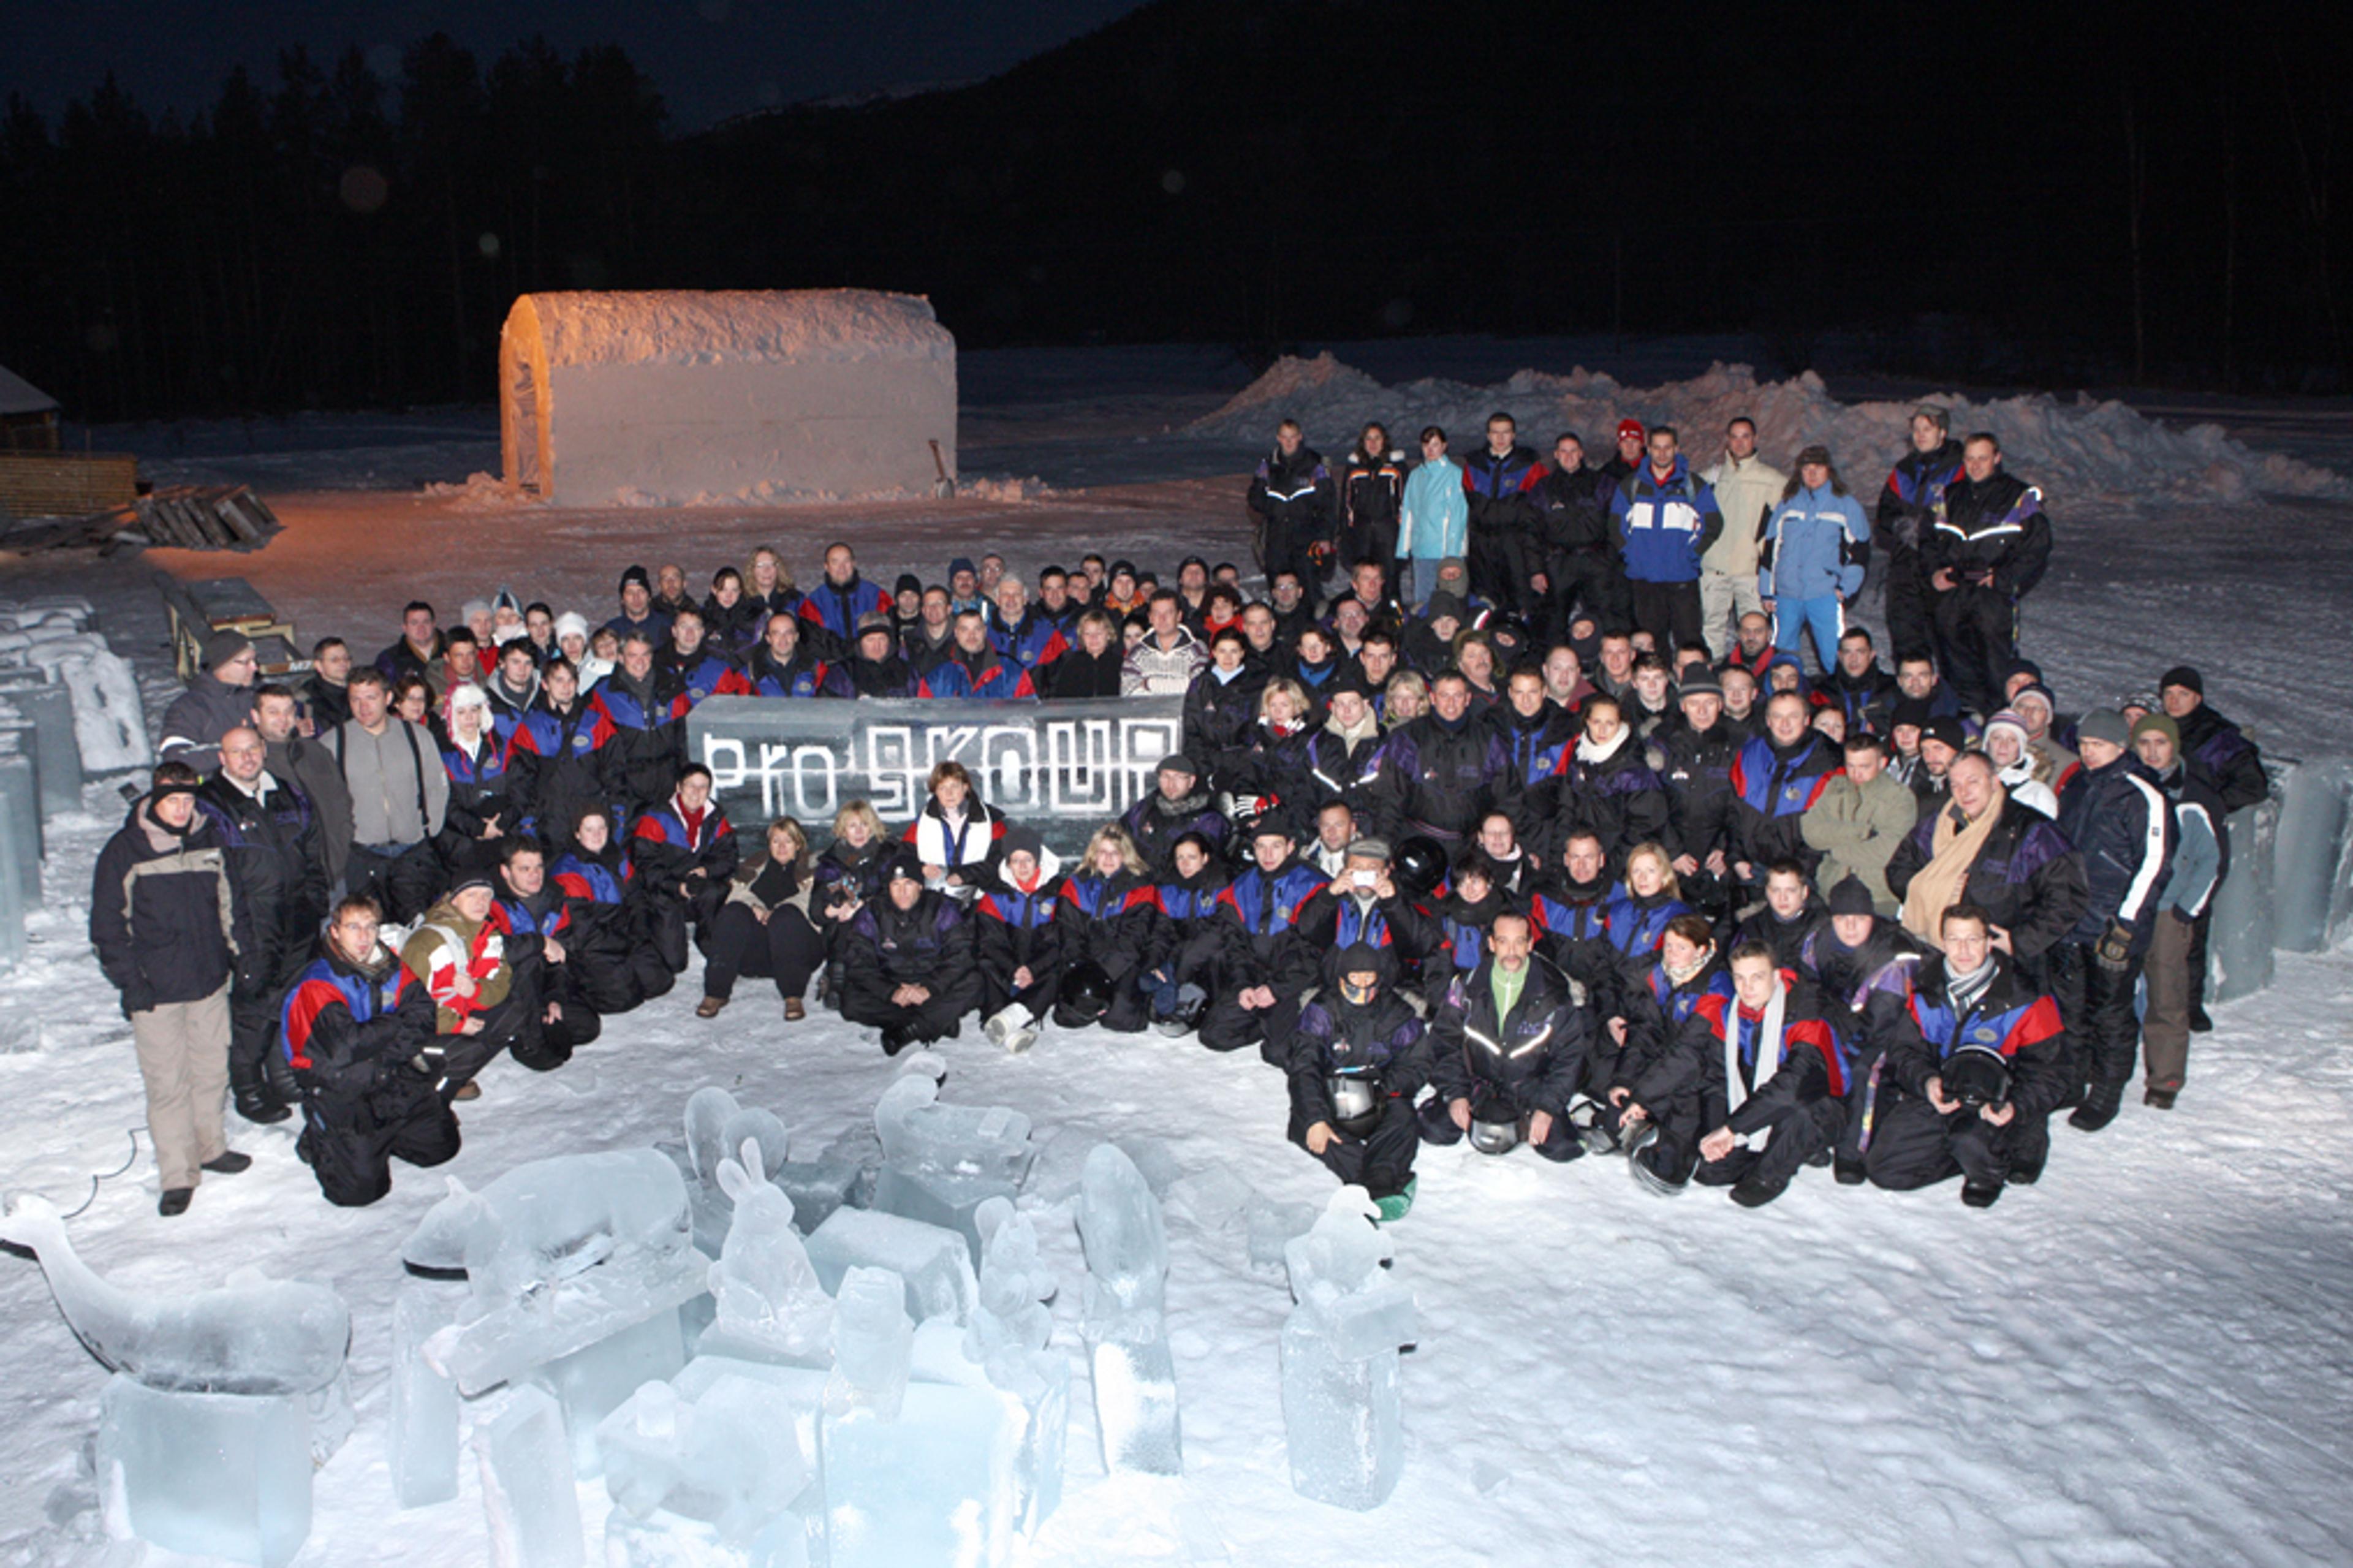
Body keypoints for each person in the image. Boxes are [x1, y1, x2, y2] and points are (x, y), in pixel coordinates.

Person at [91, 762, 252, 1216]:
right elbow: (107, 927)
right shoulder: (125, 851)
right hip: (156, 991)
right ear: (154, 799)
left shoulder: (208, 841)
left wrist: (239, 958)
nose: (181, 810)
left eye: (188, 801)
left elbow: (230, 905)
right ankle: (178, 1174)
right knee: (168, 1083)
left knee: (211, 1070)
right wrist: (131, 983)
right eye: (172, 801)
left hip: (208, 982)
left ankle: (210, 1147)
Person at [1863, 903, 2069, 1205]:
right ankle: (1970, 1151)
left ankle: (1994, 1161)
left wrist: (2016, 1107)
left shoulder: (2026, 999)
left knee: (1969, 1139)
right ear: (1942, 942)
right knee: (1884, 1170)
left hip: (1999, 1101)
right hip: (1946, 1094)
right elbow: (1905, 1051)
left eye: (1973, 939)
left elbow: (2053, 1073)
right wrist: (1927, 1082)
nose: (1964, 949)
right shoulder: (1922, 990)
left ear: (1988, 942)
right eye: (1955, 939)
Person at [278, 895, 453, 1207]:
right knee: (358, 1192)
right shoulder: (318, 983)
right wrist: (394, 1024)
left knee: (440, 1148)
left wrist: (385, 1049)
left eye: (371, 927)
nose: (364, 937)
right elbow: (345, 1046)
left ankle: (379, 1138)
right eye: (353, 927)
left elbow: (425, 1013)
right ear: (335, 931)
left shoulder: (390, 966)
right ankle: (322, 1137)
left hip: (387, 1070)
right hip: (340, 1082)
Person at [194, 725, 328, 1124]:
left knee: (289, 999)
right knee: (254, 1006)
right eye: (236, 752)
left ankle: (283, 1072)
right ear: (223, 758)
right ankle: (248, 1085)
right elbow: (213, 877)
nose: (246, 758)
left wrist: (316, 899)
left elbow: (313, 850)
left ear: (264, 749)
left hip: (299, 918)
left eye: (252, 749)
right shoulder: (212, 804)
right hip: (252, 922)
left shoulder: (287, 792)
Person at [2049, 710, 2175, 1132]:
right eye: (2084, 744)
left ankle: (2107, 1088)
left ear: (2121, 746)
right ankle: (2073, 1078)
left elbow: (2154, 864)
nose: (2088, 751)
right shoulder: (2078, 784)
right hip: (2072, 919)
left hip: (2113, 926)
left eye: (2098, 745)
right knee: (2072, 1007)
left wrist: (2126, 924)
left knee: (2111, 1013)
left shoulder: (2142, 794)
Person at [1677, 944, 1851, 1206]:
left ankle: (1771, 1173)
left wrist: (1733, 1128)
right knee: (1710, 1172)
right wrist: (1716, 1131)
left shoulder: (1806, 1015)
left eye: (1757, 977)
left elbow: (1794, 1085)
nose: (1747, 988)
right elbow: (1718, 1077)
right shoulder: (1734, 1014)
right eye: (1740, 978)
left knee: (1802, 1112)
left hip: (1820, 1104)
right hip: (1761, 1101)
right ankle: (1781, 1149)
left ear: (1777, 976)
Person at [1889, 751, 2088, 980]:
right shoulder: (1938, 825)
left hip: (2007, 966)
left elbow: (2069, 898)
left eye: (1973, 781)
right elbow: (1898, 869)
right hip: (1938, 955)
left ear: (1994, 782)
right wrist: (1934, 889)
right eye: (1955, 784)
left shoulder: (2032, 832)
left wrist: (2020, 941)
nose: (1964, 792)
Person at [1418, 911, 1589, 1162]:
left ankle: (1531, 1118)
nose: (1512, 951)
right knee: (1435, 1130)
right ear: (1491, 944)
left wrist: (1546, 1107)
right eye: (1503, 941)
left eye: (1519, 941)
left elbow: (1570, 1056)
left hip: (1529, 1086)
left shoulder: (1554, 994)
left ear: (1530, 944)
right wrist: (1456, 1094)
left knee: (1562, 1148)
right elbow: (1444, 1041)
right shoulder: (1466, 987)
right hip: (1480, 1081)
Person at [2158, 664, 2264, 1032]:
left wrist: (2208, 806)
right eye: (2168, 695)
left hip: (2195, 839)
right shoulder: (2156, 731)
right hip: (2158, 836)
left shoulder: (2218, 738)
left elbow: (2253, 785)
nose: (2174, 701)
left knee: (2192, 920)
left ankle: (2190, 1003)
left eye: (2182, 695)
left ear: (2198, 698)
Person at [1291, 944, 1429, 1220]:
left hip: (1378, 1090)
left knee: (1402, 1117)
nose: (1364, 986)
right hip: (1332, 1092)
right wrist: (1315, 1119)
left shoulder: (1397, 1013)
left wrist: (1382, 1089)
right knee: (1316, 1132)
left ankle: (1377, 1183)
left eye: (1369, 978)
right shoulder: (1321, 1012)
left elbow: (1417, 1063)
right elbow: (1304, 1068)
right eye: (1356, 978)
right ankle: (1377, 1187)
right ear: (1343, 977)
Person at [1922, 431, 2052, 716]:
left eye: (1983, 458)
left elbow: (2037, 548)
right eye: (1970, 459)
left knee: (1997, 668)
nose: (1976, 465)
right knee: (1954, 665)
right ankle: (1964, 723)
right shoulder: (1948, 496)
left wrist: (2004, 578)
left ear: (1997, 458)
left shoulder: (2019, 497)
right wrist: (1935, 574)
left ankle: (2000, 722)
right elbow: (1927, 540)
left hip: (1992, 597)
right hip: (1953, 596)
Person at [2132, 713, 2222, 1110]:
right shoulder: (2126, 788)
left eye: (2160, 742)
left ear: (2174, 746)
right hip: (2127, 908)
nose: (2152, 751)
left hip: (2168, 911)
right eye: (2144, 743)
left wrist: (2187, 910)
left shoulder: (2191, 797)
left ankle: (2165, 1076)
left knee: (2167, 995)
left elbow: (2210, 859)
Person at [328, 668, 450, 925]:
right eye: (355, 699)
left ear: (387, 699)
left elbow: (437, 786)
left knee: (419, 930)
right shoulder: (333, 743)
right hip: (363, 855)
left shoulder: (416, 737)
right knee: (372, 933)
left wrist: (428, 829)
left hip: (412, 852)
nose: (363, 707)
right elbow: (325, 802)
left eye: (371, 697)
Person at [1200, 817, 1328, 1056]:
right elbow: (1235, 944)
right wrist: (1244, 985)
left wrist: (1276, 990)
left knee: (1279, 1053)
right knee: (1213, 1035)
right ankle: (1266, 1023)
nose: (1268, 854)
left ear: (1291, 847)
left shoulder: (1314, 885)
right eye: (1261, 846)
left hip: (1294, 984)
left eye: (1276, 846)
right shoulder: (1241, 887)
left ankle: (1286, 1024)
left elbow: (1315, 953)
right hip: (1257, 977)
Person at [396, 874, 524, 1104]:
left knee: (513, 1012)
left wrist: (474, 991)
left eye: (486, 896)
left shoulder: (488, 933)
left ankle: (454, 1079)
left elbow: (501, 983)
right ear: (453, 900)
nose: (480, 902)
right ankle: (430, 1101)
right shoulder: (429, 942)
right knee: (469, 1050)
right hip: (422, 1029)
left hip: (458, 1011)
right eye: (471, 895)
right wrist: (456, 1024)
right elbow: (408, 1006)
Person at [839, 847, 980, 1055]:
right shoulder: (872, 912)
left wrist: (929, 988)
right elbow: (858, 961)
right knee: (851, 1001)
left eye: (908, 884)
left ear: (920, 887)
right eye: (895, 885)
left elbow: (961, 954)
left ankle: (909, 1030)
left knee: (975, 982)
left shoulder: (941, 908)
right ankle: (936, 1020)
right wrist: (890, 991)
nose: (902, 892)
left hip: (933, 982)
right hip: (892, 983)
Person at [485, 838, 602, 1070]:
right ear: (506, 872)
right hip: (503, 991)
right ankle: (522, 1031)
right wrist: (539, 942)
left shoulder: (554, 899)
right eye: (525, 869)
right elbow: (494, 955)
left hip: (540, 985)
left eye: (539, 867)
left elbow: (560, 958)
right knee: (541, 1056)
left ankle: (538, 1020)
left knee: (588, 1026)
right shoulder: (491, 903)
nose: (534, 875)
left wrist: (554, 999)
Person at [1364, 671, 1512, 850]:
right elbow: (1389, 800)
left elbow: (1509, 797)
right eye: (1444, 696)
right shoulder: (1407, 739)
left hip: (1471, 846)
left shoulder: (1488, 740)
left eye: (1458, 696)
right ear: (1433, 698)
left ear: (1468, 699)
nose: (1451, 703)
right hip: (1417, 841)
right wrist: (1383, 848)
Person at [698, 817, 826, 1023]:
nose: (782, 847)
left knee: (786, 918)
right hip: (757, 951)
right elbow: (737, 893)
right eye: (776, 841)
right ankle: (716, 993)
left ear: (798, 844)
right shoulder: (754, 864)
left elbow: (814, 898)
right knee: (733, 912)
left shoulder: (814, 867)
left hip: (798, 949)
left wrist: (778, 911)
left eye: (788, 841)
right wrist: (754, 907)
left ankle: (793, 996)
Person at [551, 806, 675, 1013]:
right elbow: (584, 930)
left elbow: (637, 898)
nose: (597, 835)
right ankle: (576, 986)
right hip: (590, 945)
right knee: (623, 999)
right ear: (577, 833)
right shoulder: (569, 870)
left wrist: (637, 932)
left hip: (622, 933)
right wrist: (622, 942)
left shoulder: (617, 857)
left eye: (602, 828)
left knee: (660, 982)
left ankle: (624, 968)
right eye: (589, 829)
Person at [1611, 424, 1722, 653]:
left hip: (1681, 575)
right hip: (1645, 578)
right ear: (1648, 449)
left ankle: (1691, 683)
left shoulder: (1692, 485)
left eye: (1668, 448)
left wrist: (1691, 554)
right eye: (1657, 448)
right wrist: (1632, 556)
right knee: (1652, 642)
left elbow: (1713, 522)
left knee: (1689, 639)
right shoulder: (1632, 485)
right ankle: (1657, 686)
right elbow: (1615, 525)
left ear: (1677, 449)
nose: (1662, 453)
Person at [1757, 445, 1870, 672]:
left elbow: (1860, 551)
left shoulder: (1845, 505)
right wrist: (1767, 590)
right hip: (1787, 594)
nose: (1812, 474)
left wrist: (1845, 588)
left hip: (1824, 594)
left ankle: (1838, 701)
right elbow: (1770, 549)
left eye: (1817, 468)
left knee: (1834, 655)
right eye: (1806, 469)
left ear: (1828, 469)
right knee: (1783, 657)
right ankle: (1787, 702)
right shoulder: (1788, 505)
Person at [1873, 405, 1964, 666]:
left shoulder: (1959, 468)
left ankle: (1953, 701)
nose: (1921, 435)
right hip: (1906, 564)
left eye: (1928, 429)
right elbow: (1884, 516)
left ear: (1943, 432)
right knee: (1905, 634)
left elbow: (1965, 515)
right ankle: (1911, 695)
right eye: (1916, 430)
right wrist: (1900, 527)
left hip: (1943, 564)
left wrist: (1931, 532)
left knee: (1949, 640)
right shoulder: (1903, 471)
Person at [631, 762, 741, 975]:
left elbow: (729, 858)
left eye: (703, 787)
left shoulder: (716, 817)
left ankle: (709, 938)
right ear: (679, 787)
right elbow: (645, 867)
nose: (696, 793)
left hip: (699, 889)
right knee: (674, 963)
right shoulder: (655, 818)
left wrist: (706, 871)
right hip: (665, 893)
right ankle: (655, 935)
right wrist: (677, 886)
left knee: (716, 891)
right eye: (691, 786)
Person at [1729, 690, 1845, 888]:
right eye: (1778, 716)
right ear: (1768, 720)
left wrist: (1790, 875)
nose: (1785, 724)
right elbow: (1733, 814)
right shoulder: (1748, 756)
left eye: (1793, 716)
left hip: (1802, 880)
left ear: (1807, 720)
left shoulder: (1830, 763)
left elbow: (1830, 831)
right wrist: (1736, 859)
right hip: (1749, 874)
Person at [1051, 824, 1161, 1032]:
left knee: (1120, 1019)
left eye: (1115, 853)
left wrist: (1104, 976)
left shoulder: (1140, 887)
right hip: (1086, 960)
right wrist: (1081, 971)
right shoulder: (1076, 884)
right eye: (1103, 852)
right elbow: (1068, 931)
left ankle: (1144, 997)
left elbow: (1133, 940)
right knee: (1068, 1017)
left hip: (1119, 963)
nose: (1108, 859)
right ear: (1094, 854)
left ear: (1125, 856)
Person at [1698, 418, 1786, 659]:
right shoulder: (1713, 477)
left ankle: (1755, 674)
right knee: (1711, 626)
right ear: (1727, 440)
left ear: (1755, 439)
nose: (1740, 443)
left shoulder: (1771, 479)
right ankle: (1711, 675)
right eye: (1735, 437)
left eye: (1745, 436)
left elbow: (1790, 521)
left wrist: (1767, 554)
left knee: (1754, 629)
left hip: (1750, 570)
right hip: (1714, 567)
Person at [1529, 431, 1627, 640]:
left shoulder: (1603, 484)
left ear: (1581, 453)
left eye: (1573, 451)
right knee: (1555, 623)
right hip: (1559, 563)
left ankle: (1607, 665)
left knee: (1606, 619)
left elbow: (1618, 525)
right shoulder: (1543, 489)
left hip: (1596, 561)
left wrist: (1611, 560)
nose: (1569, 456)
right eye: (1563, 451)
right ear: (1556, 454)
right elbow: (1531, 532)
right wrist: (1537, 569)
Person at [254, 682, 354, 888]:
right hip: (292, 882)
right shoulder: (253, 763)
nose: (283, 719)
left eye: (288, 711)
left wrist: (345, 841)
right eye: (273, 712)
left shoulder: (315, 752)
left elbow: (341, 800)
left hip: (337, 870)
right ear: (256, 716)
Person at [975, 825, 1066, 1051]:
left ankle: (1012, 1016)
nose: (1023, 866)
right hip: (1008, 969)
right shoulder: (995, 896)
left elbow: (1061, 941)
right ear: (1008, 863)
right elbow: (990, 942)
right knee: (985, 966)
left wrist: (1032, 969)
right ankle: (1009, 1032)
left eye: (1028, 859)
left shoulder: (1058, 891)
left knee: (1058, 972)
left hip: (1040, 969)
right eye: (1016, 861)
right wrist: (1015, 969)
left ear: (1038, 860)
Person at [1802, 732, 1915, 912]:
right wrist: (1862, 832)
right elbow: (1811, 832)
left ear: (1882, 763)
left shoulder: (1900, 798)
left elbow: (1887, 852)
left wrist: (1833, 849)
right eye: (1851, 766)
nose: (1856, 774)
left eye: (1864, 767)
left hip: (1878, 898)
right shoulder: (1835, 787)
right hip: (1830, 892)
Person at [589, 632, 691, 811]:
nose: (640, 662)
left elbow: (684, 743)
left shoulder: (672, 689)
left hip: (668, 787)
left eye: (645, 654)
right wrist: (614, 792)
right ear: (621, 658)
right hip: (627, 792)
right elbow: (597, 751)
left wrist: (684, 780)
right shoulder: (603, 695)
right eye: (633, 655)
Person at [1246, 418, 1336, 591]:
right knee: (1279, 589)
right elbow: (1255, 499)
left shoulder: (1315, 465)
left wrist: (1325, 536)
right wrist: (1272, 507)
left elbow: (1328, 504)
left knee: (1309, 589)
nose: (1288, 442)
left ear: (1300, 437)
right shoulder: (1268, 465)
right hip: (1276, 539)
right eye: (1285, 437)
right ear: (1278, 438)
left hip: (1306, 538)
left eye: (1293, 437)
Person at [157, 631, 262, 773]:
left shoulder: (259, 697)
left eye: (255, 661)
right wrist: (234, 753)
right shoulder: (190, 707)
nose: (255, 667)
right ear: (222, 665)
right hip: (215, 790)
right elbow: (176, 758)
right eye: (246, 662)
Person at [1182, 631, 1270, 792]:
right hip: (1207, 763)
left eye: (1234, 651)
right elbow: (1191, 729)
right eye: (1222, 651)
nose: (1228, 658)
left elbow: (1259, 728)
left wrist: (1243, 759)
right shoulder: (1201, 684)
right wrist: (1204, 766)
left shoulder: (1258, 684)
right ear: (1213, 652)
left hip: (1244, 763)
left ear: (1243, 653)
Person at [1123, 752, 1230, 876]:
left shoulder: (1209, 820)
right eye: (1165, 777)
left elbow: (1202, 865)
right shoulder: (1144, 810)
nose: (1171, 784)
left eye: (1178, 777)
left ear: (1191, 781)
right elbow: (1118, 838)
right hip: (1141, 886)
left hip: (1186, 888)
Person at [904, 759, 1004, 892]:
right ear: (935, 792)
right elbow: (902, 858)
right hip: (934, 899)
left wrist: (966, 875)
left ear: (965, 787)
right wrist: (921, 868)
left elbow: (1002, 861)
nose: (949, 794)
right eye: (942, 788)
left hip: (979, 898)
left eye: (954, 786)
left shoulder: (992, 820)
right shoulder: (921, 822)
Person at [798, 541, 895, 657]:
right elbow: (813, 647)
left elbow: (890, 640)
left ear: (854, 563)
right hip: (831, 670)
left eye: (846, 561)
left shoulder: (877, 596)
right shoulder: (813, 603)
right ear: (826, 566)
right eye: (835, 562)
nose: (842, 568)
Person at [1337, 422, 1408, 574]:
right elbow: (1347, 503)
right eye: (1369, 438)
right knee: (1365, 578)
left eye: (1377, 438)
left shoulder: (1396, 468)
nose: (1373, 443)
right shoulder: (1355, 469)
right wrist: (1344, 534)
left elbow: (1405, 502)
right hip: (1362, 534)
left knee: (1389, 579)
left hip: (1389, 535)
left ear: (1385, 441)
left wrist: (1404, 534)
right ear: (1363, 442)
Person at [1735, 861, 1827, 970]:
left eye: (1791, 890)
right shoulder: (1752, 928)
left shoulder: (1824, 927)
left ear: (1804, 892)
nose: (1783, 898)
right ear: (1767, 892)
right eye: (1775, 890)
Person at [746, 611, 851, 699]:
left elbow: (833, 709)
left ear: (796, 637)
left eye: (789, 633)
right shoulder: (751, 674)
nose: (783, 639)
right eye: (776, 633)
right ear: (768, 639)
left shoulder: (818, 670)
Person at [1121, 591, 1208, 695]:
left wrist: (1149, 683)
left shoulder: (1197, 649)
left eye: (1169, 613)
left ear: (1179, 616)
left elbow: (1199, 689)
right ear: (1150, 618)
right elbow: (1128, 693)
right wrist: (1182, 684)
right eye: (1157, 613)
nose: (1162, 619)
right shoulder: (1136, 652)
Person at [1045, 608, 1126, 699]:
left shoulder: (1121, 664)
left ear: (1108, 635)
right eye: (1088, 634)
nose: (1093, 638)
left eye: (1098, 633)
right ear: (1082, 637)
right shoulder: (1071, 664)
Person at [376, 601, 442, 686]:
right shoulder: (389, 660)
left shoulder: (452, 652)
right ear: (405, 628)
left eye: (426, 622)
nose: (421, 628)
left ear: (434, 624)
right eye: (414, 623)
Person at [606, 564, 673, 644]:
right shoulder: (611, 631)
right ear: (622, 600)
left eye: (641, 592)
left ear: (649, 597)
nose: (636, 597)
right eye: (630, 593)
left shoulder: (668, 627)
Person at [302, 637, 355, 730]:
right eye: (335, 660)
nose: (343, 663)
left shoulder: (359, 689)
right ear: (319, 666)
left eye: (346, 658)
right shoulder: (308, 698)